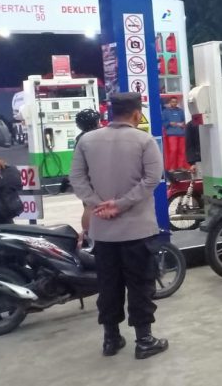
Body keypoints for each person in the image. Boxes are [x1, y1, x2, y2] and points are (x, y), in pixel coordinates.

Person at [69, 93, 169, 360]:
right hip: (138, 231)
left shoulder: (87, 141)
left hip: (103, 232)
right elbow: (152, 179)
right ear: (136, 113)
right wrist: (121, 204)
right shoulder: (144, 140)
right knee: (140, 285)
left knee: (108, 286)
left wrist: (97, 204)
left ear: (110, 113)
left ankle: (111, 339)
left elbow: (76, 178)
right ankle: (144, 341)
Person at [73, 108, 102, 244]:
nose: (100, 123)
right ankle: (89, 235)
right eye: (98, 121)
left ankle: (88, 234)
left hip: (85, 178)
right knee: (91, 207)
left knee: (88, 206)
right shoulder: (94, 138)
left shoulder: (80, 138)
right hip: (93, 178)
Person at [161, 97, 187, 171]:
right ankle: (171, 167)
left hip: (181, 133)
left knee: (182, 151)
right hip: (171, 134)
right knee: (173, 150)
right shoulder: (165, 112)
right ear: (169, 103)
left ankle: (180, 166)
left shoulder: (181, 111)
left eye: (175, 102)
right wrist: (169, 123)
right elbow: (163, 122)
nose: (174, 103)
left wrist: (183, 124)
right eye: (172, 102)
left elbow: (184, 120)